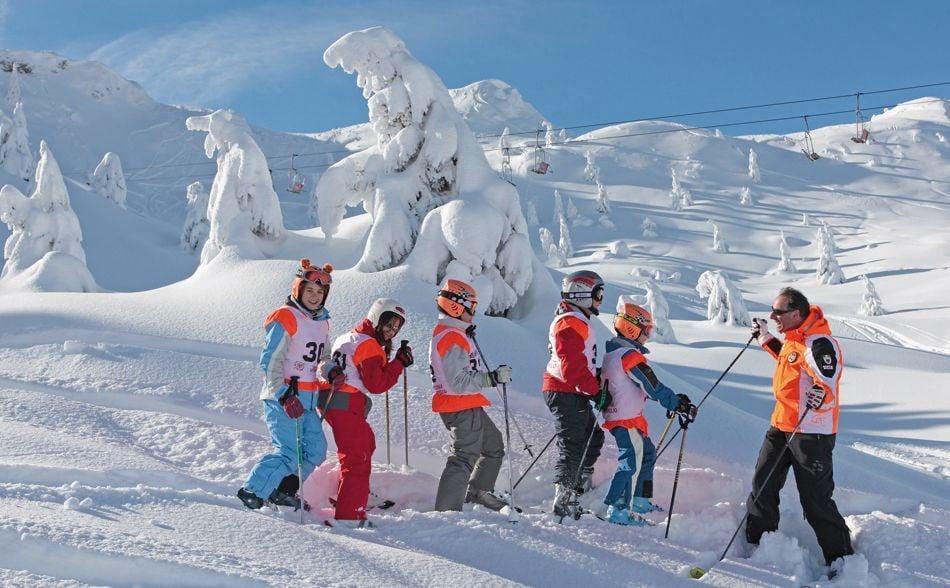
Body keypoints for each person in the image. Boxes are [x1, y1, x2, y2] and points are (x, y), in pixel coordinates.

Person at [746, 287, 854, 566]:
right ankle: (759, 543)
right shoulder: (795, 339)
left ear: (796, 313)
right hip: (782, 424)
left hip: (811, 432)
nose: (773, 316)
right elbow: (788, 358)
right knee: (763, 482)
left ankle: (842, 559)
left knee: (815, 500)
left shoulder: (819, 343)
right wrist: (765, 337)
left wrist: (821, 396)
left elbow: (828, 382)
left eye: (778, 312)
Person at [238, 259, 333, 510]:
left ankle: (282, 491)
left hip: (309, 399)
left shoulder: (322, 321)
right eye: (310, 290)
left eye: (320, 292)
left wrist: (330, 369)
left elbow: (322, 356)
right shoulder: (287, 316)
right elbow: (270, 360)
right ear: (298, 290)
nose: (315, 296)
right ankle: (252, 490)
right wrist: (282, 393)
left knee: (315, 450)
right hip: (284, 395)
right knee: (289, 452)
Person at [320, 298, 414, 529]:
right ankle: (350, 515)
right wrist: (399, 363)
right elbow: (376, 384)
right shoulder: (368, 344)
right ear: (376, 318)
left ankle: (352, 495)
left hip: (334, 401)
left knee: (366, 444)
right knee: (357, 458)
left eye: (396, 328)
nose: (391, 331)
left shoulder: (349, 336)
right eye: (388, 324)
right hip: (345, 402)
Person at [599, 302, 694, 525]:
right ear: (632, 328)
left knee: (647, 454)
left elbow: (636, 385)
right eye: (646, 330)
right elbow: (651, 384)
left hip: (626, 417)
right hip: (625, 419)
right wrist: (675, 403)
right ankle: (618, 509)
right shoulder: (629, 356)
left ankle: (640, 500)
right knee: (631, 462)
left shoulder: (615, 354)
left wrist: (673, 401)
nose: (648, 336)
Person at [430, 279, 512, 512]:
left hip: (468, 404)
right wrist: (492, 378)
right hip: (459, 405)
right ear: (456, 306)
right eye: (471, 308)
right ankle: (447, 512)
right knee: (464, 456)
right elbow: (458, 382)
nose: (474, 313)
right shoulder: (452, 337)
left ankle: (479, 492)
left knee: (493, 445)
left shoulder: (456, 333)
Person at [543, 270, 606, 517]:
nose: (600, 300)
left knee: (593, 437)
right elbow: (571, 368)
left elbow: (580, 363)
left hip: (572, 389)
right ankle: (564, 497)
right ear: (581, 294)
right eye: (598, 294)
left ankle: (579, 488)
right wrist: (596, 391)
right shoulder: (570, 323)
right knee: (573, 444)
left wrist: (597, 378)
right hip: (565, 389)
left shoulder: (576, 320)